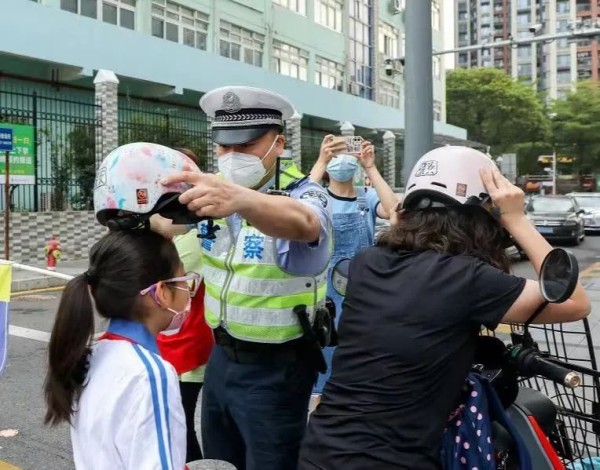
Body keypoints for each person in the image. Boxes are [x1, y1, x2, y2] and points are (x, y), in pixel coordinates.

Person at [298, 146, 591, 470]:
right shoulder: (469, 278)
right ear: (481, 219)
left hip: (320, 449)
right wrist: (517, 219)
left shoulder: (368, 263)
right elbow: (575, 302)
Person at [154, 86, 333, 470]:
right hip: (220, 357)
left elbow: (307, 224)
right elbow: (164, 225)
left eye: (247, 145)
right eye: (224, 146)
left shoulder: (305, 193)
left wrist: (243, 199)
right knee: (220, 461)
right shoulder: (211, 191)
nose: (233, 156)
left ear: (278, 144)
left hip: (278, 368)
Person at [43, 228, 198, 470]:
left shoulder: (94, 355)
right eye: (183, 281)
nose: (188, 291)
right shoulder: (150, 374)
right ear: (161, 293)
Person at [308, 135, 398, 395]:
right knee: (325, 353)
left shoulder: (366, 197)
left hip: (361, 293)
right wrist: (321, 161)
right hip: (324, 296)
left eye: (348, 152)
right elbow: (297, 205)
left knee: (360, 355)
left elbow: (395, 210)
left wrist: (371, 167)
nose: (342, 159)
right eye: (336, 154)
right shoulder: (317, 197)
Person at [156, 148, 214, 464]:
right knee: (175, 425)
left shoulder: (192, 235)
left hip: (186, 343)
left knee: (180, 427)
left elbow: (167, 287)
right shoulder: (182, 231)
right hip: (176, 341)